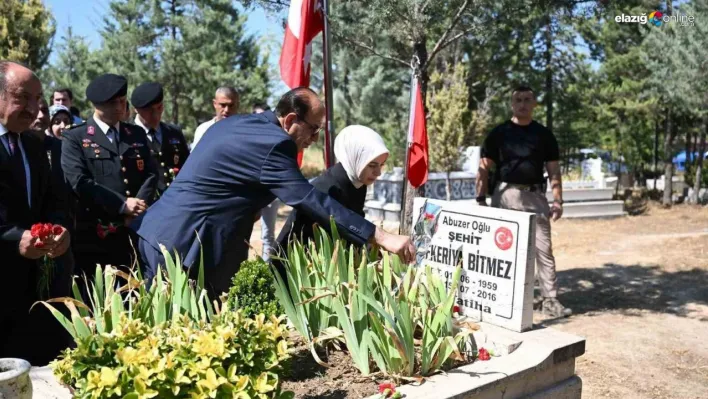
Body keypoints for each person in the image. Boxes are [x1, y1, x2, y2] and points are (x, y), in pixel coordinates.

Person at [132, 87, 415, 299]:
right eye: (314, 129)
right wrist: (380, 236)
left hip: (160, 233)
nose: (314, 139)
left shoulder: (239, 124)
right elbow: (307, 198)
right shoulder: (276, 145)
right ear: (291, 119)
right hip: (184, 247)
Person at [475, 85, 571, 318]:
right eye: (518, 100)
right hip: (505, 195)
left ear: (534, 103)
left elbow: (554, 171)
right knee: (500, 248)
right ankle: (501, 298)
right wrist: (480, 198)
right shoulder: (499, 133)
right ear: (512, 104)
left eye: (528, 99)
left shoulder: (544, 135)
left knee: (543, 249)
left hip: (535, 197)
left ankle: (550, 300)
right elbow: (483, 168)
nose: (523, 104)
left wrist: (558, 201)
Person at [0, 61, 72, 364]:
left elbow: (56, 200)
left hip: (36, 293)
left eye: (38, 98)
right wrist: (15, 239)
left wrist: (61, 229)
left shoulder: (36, 144)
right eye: (23, 98)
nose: (34, 109)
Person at [61, 73, 158, 282]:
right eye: (114, 103)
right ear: (98, 105)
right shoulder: (76, 137)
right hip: (96, 236)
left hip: (136, 231)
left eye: (123, 101)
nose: (120, 107)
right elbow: (79, 181)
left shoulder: (136, 134)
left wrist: (138, 206)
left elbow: (151, 173)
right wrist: (122, 205)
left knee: (137, 296)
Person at [277, 124, 388, 253]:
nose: (378, 172)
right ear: (354, 158)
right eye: (372, 165)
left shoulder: (358, 182)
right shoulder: (327, 189)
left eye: (381, 165)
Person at [131, 82, 190, 196]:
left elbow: (186, 166)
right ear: (136, 110)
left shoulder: (174, 132)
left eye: (159, 108)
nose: (155, 114)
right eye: (149, 110)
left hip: (175, 199)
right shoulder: (128, 135)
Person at [252, 102, 279, 262]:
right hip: (250, 194)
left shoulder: (274, 139)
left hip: (270, 194)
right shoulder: (245, 140)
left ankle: (267, 268)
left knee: (268, 235)